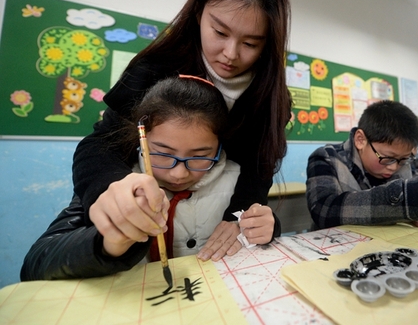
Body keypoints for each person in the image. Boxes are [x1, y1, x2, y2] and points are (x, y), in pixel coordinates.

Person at [70, 0, 292, 262]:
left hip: (211, 238)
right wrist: (109, 188)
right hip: (145, 236)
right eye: (220, 32)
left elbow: (259, 167)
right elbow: (99, 145)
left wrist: (240, 215)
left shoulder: (270, 97)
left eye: (251, 44)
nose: (230, 54)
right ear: (199, 13)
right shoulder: (154, 68)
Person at [21, 75, 271, 280]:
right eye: (163, 154)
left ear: (219, 147)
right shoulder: (117, 183)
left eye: (200, 156)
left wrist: (267, 227)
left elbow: (255, 235)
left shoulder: (239, 182)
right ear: (141, 140)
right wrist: (106, 244)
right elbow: (35, 266)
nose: (179, 173)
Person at [306, 100, 418, 230]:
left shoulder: (403, 160)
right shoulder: (327, 158)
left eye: (403, 159)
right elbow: (324, 210)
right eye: (388, 158)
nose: (394, 167)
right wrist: (411, 199)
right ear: (361, 140)